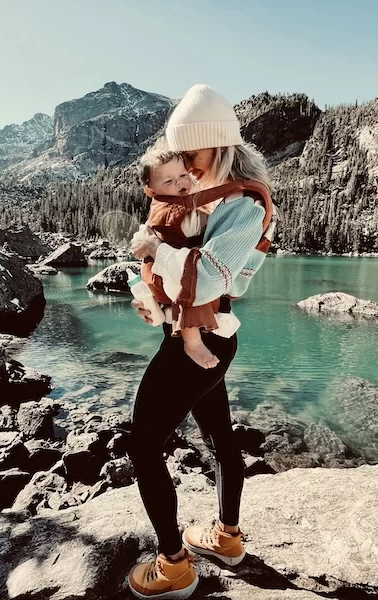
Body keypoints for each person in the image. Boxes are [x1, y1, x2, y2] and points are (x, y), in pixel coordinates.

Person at [125, 84, 275, 599]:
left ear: (215, 145)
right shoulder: (210, 198)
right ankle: (226, 539)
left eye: (189, 153)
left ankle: (174, 567)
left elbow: (209, 279)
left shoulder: (240, 204)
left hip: (204, 339)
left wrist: (153, 251)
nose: (184, 166)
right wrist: (151, 296)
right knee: (220, 438)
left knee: (143, 444)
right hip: (211, 335)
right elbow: (175, 264)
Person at [136, 138, 223, 370]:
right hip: (164, 274)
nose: (180, 183)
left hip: (157, 271)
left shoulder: (168, 202)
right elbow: (195, 226)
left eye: (184, 175)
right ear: (150, 190)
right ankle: (192, 343)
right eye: (169, 181)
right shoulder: (174, 211)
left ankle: (168, 315)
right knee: (190, 288)